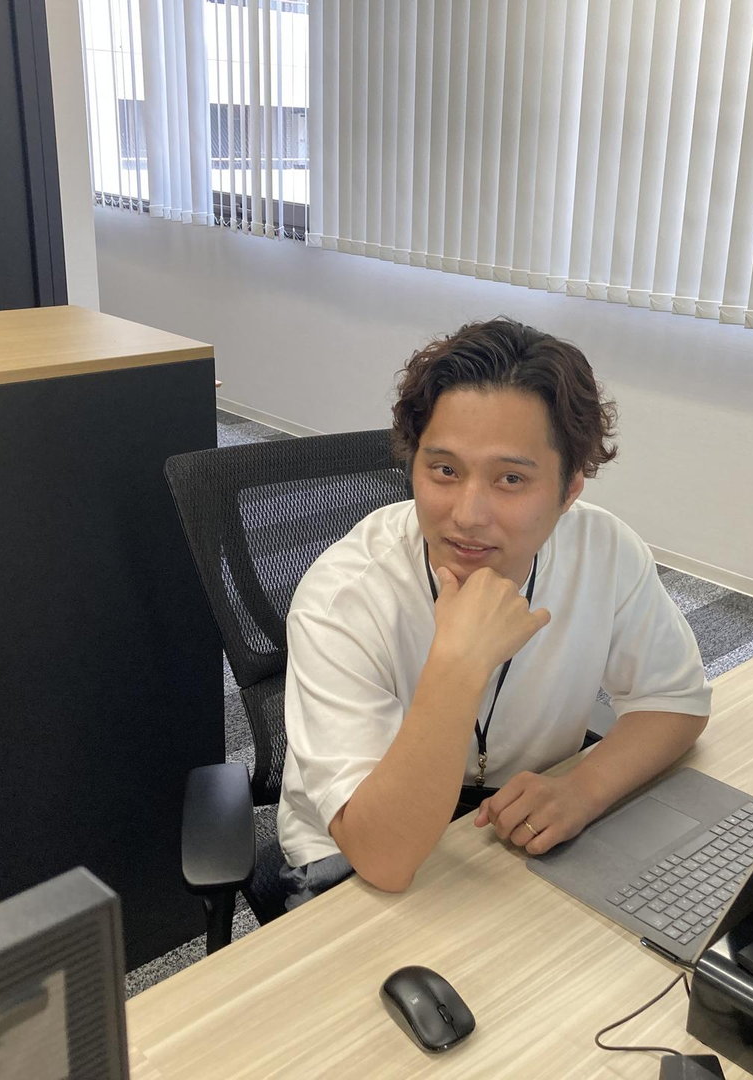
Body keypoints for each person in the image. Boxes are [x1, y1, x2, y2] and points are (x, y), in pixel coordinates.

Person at [275, 317, 711, 908]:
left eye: (510, 479)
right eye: (445, 471)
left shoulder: (603, 550)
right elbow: (383, 856)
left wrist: (582, 790)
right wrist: (459, 662)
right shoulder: (343, 598)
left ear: (570, 489)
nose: (468, 514)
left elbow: (675, 700)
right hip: (354, 850)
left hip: (513, 824)